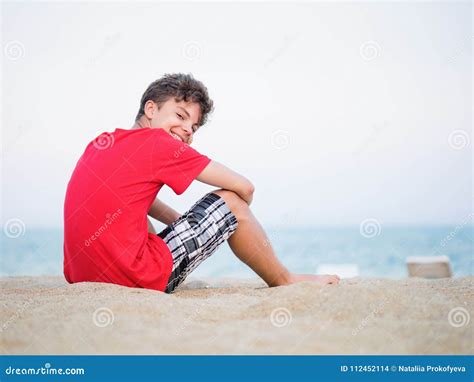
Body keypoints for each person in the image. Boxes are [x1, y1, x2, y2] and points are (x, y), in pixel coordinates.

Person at [63, 73, 340, 293]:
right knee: (231, 201)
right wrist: (237, 213)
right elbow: (245, 187)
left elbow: (128, 197)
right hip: (133, 279)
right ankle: (285, 279)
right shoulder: (158, 143)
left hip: (81, 277)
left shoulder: (102, 143)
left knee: (135, 217)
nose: (187, 130)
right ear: (151, 108)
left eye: (193, 127)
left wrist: (178, 221)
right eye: (180, 116)